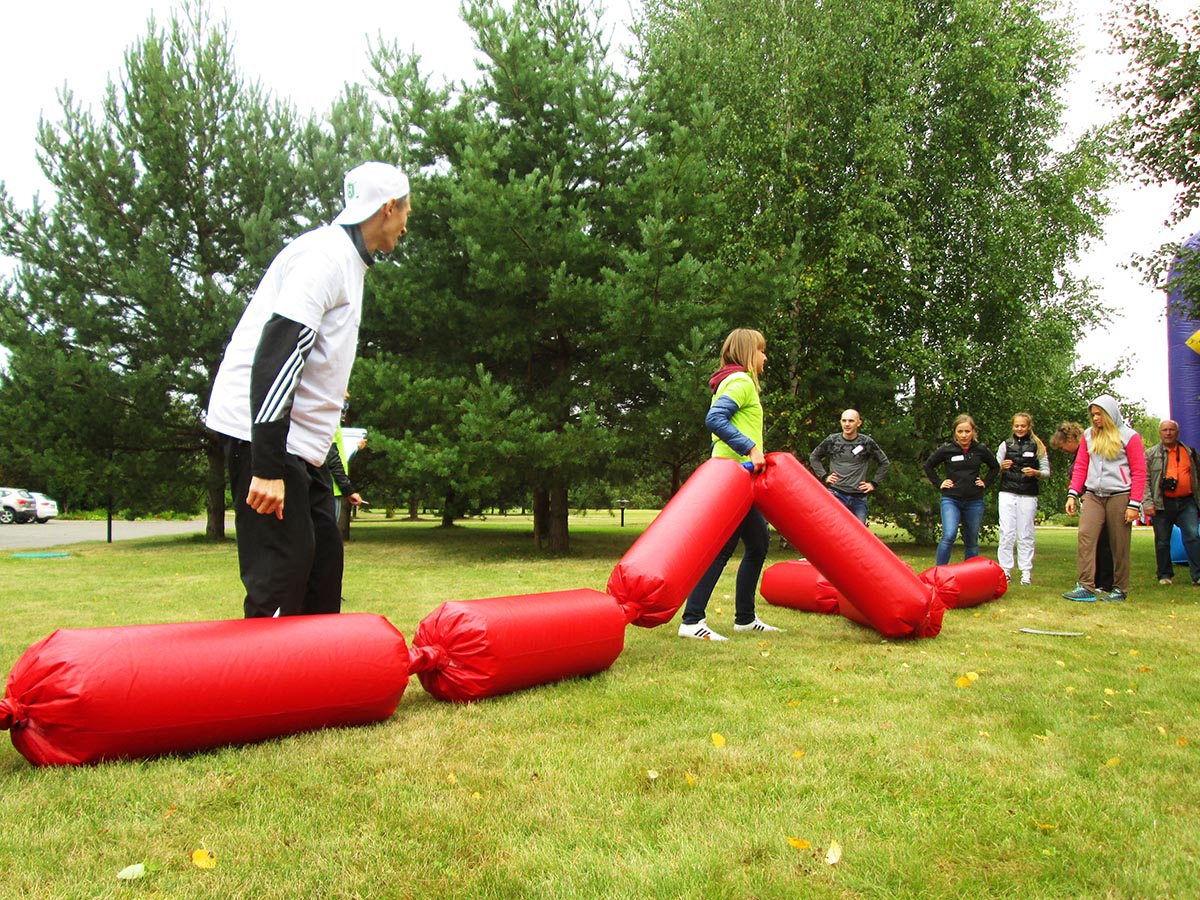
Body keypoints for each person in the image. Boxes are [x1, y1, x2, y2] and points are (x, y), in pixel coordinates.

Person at [205, 161, 410, 618]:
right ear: (388, 208)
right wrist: (267, 467)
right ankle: (268, 686)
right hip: (263, 435)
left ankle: (320, 685)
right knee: (283, 577)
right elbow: (279, 351)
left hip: (304, 448)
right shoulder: (324, 256)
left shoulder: (349, 262)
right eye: (405, 212)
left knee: (322, 568)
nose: (405, 224)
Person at [678, 328, 780, 641]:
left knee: (758, 543)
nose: (765, 357)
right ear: (750, 352)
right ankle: (692, 621)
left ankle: (745, 619)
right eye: (762, 350)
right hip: (733, 475)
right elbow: (715, 418)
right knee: (722, 548)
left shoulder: (734, 381)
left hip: (739, 475)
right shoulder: (741, 381)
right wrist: (750, 447)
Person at [1061, 395, 1147, 603]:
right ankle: (1085, 586)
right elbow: (1081, 465)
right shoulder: (1089, 436)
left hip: (1120, 495)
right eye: (1093, 414)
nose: (1096, 418)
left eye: (1099, 414)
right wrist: (1073, 493)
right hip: (1093, 494)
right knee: (1085, 535)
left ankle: (1119, 589)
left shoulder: (1129, 436)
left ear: (1110, 414)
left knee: (1119, 543)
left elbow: (1139, 471)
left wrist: (1134, 504)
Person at [922, 414, 1000, 566]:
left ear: (973, 432)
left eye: (967, 431)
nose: (964, 435)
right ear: (955, 433)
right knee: (949, 535)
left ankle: (970, 574)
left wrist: (985, 482)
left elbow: (995, 467)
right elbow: (928, 466)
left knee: (971, 538)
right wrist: (939, 482)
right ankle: (940, 572)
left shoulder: (981, 449)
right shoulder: (947, 449)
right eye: (960, 431)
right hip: (951, 499)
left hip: (974, 500)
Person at [1050, 422, 1113, 592]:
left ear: (1071, 439)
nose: (1063, 450)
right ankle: (1094, 579)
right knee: (1091, 541)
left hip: (1098, 499)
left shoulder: (1090, 452)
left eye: (1063, 446)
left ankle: (1106, 582)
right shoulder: (1078, 455)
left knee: (1102, 541)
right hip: (1087, 499)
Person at [1143, 419, 1200, 586]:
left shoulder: (1190, 453)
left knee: (1192, 536)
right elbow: (1144, 479)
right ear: (1160, 433)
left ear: (1178, 432)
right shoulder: (1151, 454)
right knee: (1162, 540)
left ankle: (1197, 575)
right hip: (1162, 502)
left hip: (1187, 502)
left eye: (1171, 430)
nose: (1168, 433)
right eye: (1165, 430)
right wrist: (1147, 502)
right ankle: (1164, 574)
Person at [808, 409, 890, 525]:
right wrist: (824, 476)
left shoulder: (866, 442)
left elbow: (884, 463)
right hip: (836, 494)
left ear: (859, 423)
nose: (847, 424)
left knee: (858, 537)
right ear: (840, 422)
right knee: (832, 531)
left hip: (859, 498)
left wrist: (873, 484)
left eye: (851, 421)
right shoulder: (832, 440)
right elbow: (814, 457)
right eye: (844, 421)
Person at [995, 412, 1050, 585]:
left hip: (1028, 493)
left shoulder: (1037, 446)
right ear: (1013, 427)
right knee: (1006, 532)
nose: (1020, 428)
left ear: (1028, 427)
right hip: (1007, 492)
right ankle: (1005, 570)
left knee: (1026, 533)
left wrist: (1036, 473)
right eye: (1017, 426)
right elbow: (994, 468)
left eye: (1023, 426)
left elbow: (1047, 472)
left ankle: (1026, 571)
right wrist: (1001, 467)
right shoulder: (1005, 445)